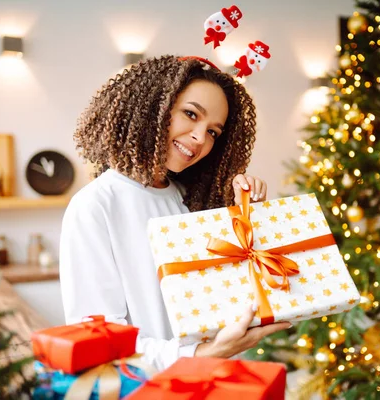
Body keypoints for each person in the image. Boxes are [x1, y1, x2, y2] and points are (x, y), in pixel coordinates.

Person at [60, 55, 290, 371]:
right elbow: (100, 342)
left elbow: (222, 304)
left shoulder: (190, 202)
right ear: (153, 106)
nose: (199, 138)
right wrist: (205, 355)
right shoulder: (96, 206)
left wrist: (247, 216)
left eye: (213, 132)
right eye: (190, 114)